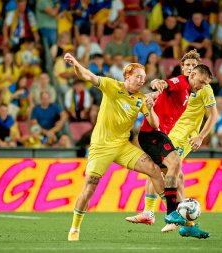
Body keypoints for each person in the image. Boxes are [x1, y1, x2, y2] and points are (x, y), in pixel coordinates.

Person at [64, 52, 164, 242]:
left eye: (144, 77)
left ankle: (173, 212)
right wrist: (76, 63)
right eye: (138, 76)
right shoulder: (111, 86)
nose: (141, 80)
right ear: (127, 76)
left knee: (154, 169)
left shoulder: (142, 99)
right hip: (101, 147)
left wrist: (150, 108)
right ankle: (75, 228)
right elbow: (87, 76)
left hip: (122, 146)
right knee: (89, 187)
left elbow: (156, 124)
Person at [125, 50, 215, 239]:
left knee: (168, 173)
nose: (202, 85)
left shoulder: (198, 90)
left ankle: (176, 219)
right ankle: (172, 216)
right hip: (156, 134)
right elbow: (164, 85)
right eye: (188, 66)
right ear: (187, 71)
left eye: (193, 65)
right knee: (172, 170)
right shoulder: (180, 83)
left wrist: (199, 136)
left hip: (175, 136)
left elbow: (212, 114)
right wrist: (156, 83)